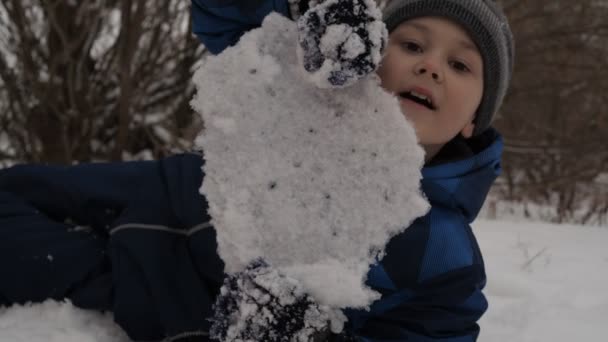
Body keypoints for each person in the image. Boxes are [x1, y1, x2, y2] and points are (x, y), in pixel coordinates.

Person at [0, 0, 513, 341]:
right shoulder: (304, 85)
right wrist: (312, 17)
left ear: (474, 118)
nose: (430, 66)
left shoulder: (442, 255)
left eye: (461, 65)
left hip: (134, 288)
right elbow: (232, 16)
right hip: (175, 192)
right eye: (413, 45)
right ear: (374, 54)